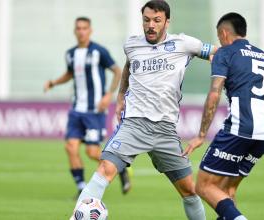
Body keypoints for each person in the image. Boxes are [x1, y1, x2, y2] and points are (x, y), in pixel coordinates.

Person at [71, 1, 217, 219]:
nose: (151, 25)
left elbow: (217, 53)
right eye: (146, 20)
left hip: (165, 130)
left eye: (157, 21)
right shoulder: (132, 44)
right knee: (104, 170)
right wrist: (121, 94)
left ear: (167, 22)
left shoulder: (184, 43)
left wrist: (228, 69)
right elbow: (129, 66)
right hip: (134, 125)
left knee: (189, 190)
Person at [183, 12, 264, 220]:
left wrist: (201, 134)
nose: (219, 41)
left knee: (204, 186)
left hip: (240, 129)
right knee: (227, 190)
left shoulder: (226, 53)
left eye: (219, 37)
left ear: (224, 32)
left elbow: (214, 94)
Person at [44, 16, 131, 197]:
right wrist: (53, 83)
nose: (81, 31)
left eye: (84, 28)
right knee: (71, 147)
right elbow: (70, 74)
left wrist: (109, 95)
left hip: (95, 110)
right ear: (75, 31)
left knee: (92, 152)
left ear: (90, 30)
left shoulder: (99, 51)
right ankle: (81, 186)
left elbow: (116, 71)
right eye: (78, 28)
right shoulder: (70, 54)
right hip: (77, 109)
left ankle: (120, 168)